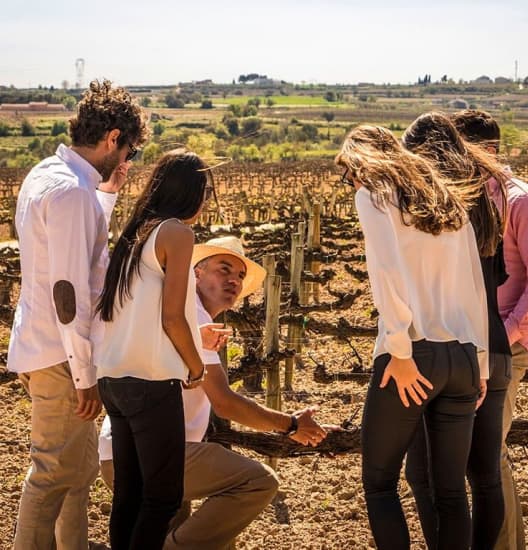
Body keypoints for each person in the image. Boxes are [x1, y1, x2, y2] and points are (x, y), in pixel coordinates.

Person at [98, 235, 329, 550]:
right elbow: (224, 403)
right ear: (196, 273)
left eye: (240, 276)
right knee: (257, 482)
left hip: (125, 454)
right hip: (153, 456)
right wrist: (290, 425)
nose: (234, 280)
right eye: (224, 269)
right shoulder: (190, 314)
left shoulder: (182, 311)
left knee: (198, 534)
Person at [7, 80, 148, 550]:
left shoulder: (47, 175)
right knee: (51, 473)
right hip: (63, 356)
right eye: (127, 149)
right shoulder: (70, 193)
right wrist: (85, 376)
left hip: (43, 345)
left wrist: (106, 195)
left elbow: (77, 253)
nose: (126, 160)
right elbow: (69, 293)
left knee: (79, 472)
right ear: (112, 137)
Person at [336, 124, 489, 550]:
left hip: (412, 353)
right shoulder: (448, 203)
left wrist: (400, 352)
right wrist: (480, 363)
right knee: (452, 492)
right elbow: (473, 285)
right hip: (460, 357)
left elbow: (385, 274)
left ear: (359, 163)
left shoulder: (373, 194)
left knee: (380, 483)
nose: (351, 182)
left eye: (349, 172)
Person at [401, 112, 511, 549]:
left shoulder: (428, 209)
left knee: (425, 476)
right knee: (485, 477)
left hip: (442, 349)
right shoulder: (484, 206)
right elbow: (497, 280)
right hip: (492, 347)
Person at [96, 149, 212, 550]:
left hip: (113, 379)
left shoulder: (134, 235)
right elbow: (173, 318)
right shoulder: (177, 234)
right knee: (162, 498)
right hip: (150, 381)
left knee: (128, 495)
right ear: (192, 192)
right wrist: (197, 369)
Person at [452, 109, 528, 550]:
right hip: (469, 343)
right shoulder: (466, 201)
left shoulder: (523, 201)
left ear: (486, 151)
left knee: (487, 455)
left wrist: (503, 336)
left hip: (506, 345)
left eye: (455, 150)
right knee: (475, 455)